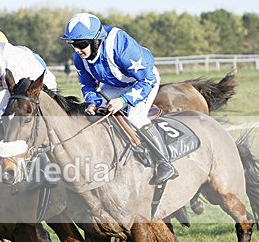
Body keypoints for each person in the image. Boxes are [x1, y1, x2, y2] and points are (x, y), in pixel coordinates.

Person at [61, 12, 177, 184]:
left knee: (134, 117)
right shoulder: (80, 58)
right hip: (115, 84)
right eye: (73, 44)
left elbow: (147, 80)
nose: (77, 49)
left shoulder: (120, 45)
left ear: (95, 40)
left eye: (81, 44)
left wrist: (124, 100)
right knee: (96, 116)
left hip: (142, 80)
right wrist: (92, 103)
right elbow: (88, 85)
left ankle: (164, 163)